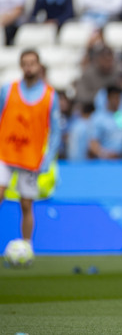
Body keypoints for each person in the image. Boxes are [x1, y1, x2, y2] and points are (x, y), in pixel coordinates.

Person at [0, 49, 60, 245]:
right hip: (5, 152)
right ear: (20, 65)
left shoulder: (50, 96)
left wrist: (47, 157)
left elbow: (56, 130)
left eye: (32, 63)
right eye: (25, 63)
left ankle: (27, 244)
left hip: (30, 156)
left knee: (26, 204)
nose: (28, 67)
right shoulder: (8, 90)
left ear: (39, 65)